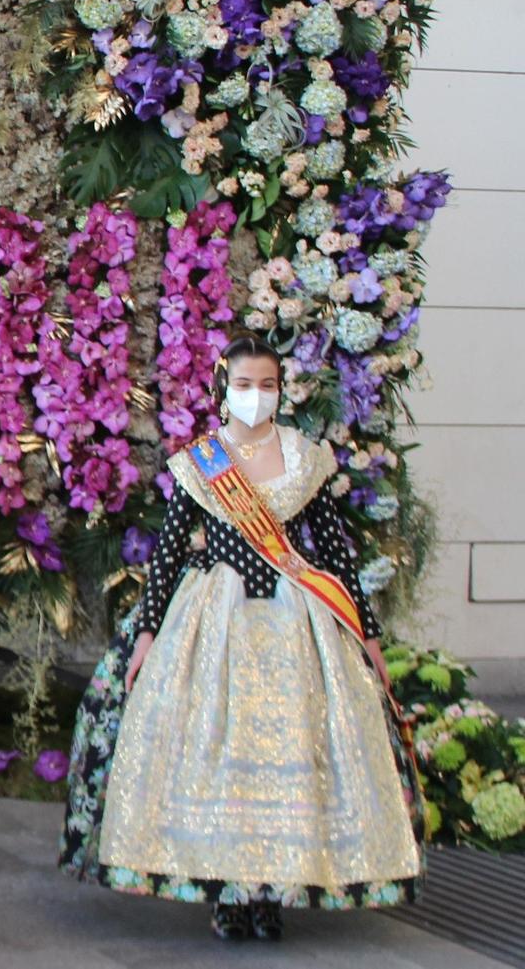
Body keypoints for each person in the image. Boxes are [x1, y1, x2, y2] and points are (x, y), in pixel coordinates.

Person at [59, 332, 421, 939]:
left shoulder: (305, 459)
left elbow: (336, 556)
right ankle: (226, 890)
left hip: (294, 625)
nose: (257, 396)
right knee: (213, 752)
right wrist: (147, 633)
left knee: (292, 754)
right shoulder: (203, 463)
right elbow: (168, 556)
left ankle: (271, 887)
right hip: (212, 622)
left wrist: (370, 638)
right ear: (224, 389)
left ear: (282, 391)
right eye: (245, 385)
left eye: (268, 385)